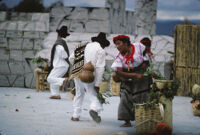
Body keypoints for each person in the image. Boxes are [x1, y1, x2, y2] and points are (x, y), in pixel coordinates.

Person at [111, 35, 152, 127]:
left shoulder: (138, 47)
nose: (117, 46)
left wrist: (144, 65)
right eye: (116, 45)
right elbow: (120, 72)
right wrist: (134, 74)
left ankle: (142, 119)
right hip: (128, 76)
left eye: (119, 43)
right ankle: (127, 121)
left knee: (142, 96)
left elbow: (146, 54)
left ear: (126, 43)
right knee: (125, 96)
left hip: (142, 75)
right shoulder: (119, 58)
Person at [69, 32, 110, 123]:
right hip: (89, 76)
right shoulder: (100, 50)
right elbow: (100, 68)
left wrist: (79, 67)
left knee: (79, 93)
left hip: (77, 73)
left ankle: (75, 115)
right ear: (102, 44)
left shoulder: (82, 45)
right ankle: (94, 109)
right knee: (94, 94)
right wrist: (97, 84)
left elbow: (71, 58)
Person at [47, 25, 70, 99]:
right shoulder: (62, 42)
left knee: (50, 78)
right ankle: (55, 94)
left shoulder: (59, 43)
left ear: (58, 35)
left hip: (60, 65)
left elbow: (62, 53)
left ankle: (64, 80)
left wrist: (64, 56)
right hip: (62, 65)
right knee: (54, 78)